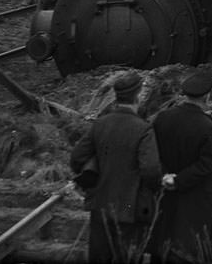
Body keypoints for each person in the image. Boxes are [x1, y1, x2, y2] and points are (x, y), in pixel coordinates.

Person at [69, 71, 163, 264]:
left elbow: (77, 158)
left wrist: (92, 178)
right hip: (130, 206)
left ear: (116, 97)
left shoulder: (100, 124)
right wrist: (153, 190)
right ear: (138, 96)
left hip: (101, 204)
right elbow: (151, 170)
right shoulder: (143, 129)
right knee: (126, 256)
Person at [150, 67, 212, 263]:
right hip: (195, 201)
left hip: (165, 195)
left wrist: (167, 176)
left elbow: (153, 153)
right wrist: (179, 180)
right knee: (189, 251)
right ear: (206, 96)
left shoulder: (163, 118)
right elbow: (206, 165)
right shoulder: (206, 126)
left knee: (163, 248)